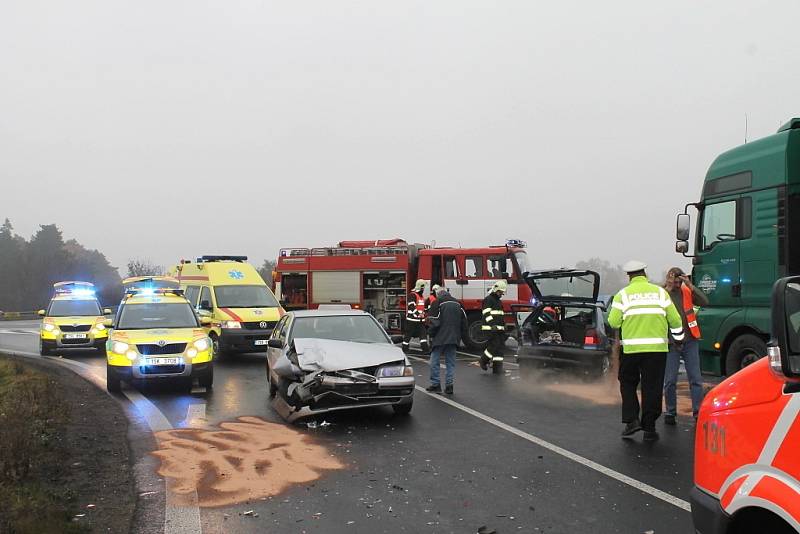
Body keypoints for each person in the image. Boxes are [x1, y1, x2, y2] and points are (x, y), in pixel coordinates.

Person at [608, 261, 684, 442]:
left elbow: (613, 322)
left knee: (627, 383)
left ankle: (632, 421)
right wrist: (679, 340)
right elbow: (675, 321)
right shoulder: (661, 293)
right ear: (645, 274)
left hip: (632, 350)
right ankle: (649, 427)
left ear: (630, 276)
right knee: (652, 387)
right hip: (657, 350)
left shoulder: (622, 295)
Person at [663, 267, 708, 425]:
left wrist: (690, 285)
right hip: (671, 342)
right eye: (674, 282)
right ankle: (670, 411)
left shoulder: (687, 291)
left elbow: (705, 301)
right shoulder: (662, 293)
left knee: (695, 379)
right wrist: (668, 289)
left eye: (679, 281)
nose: (677, 284)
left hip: (690, 340)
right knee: (669, 381)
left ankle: (698, 412)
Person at [426, 287, 467, 394]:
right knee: (450, 363)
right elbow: (464, 322)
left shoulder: (437, 302)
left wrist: (431, 334)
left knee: (434, 361)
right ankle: (449, 386)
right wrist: (460, 336)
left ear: (438, 294)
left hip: (440, 337)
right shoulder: (458, 303)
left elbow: (434, 321)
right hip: (454, 337)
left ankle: (436, 384)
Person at [480, 280, 507, 371]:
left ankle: (497, 368)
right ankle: (483, 360)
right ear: (496, 290)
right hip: (490, 328)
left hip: (498, 329)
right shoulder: (488, 299)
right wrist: (492, 325)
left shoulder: (498, 301)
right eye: (501, 292)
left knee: (500, 348)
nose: (502, 294)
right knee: (494, 345)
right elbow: (486, 314)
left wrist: (504, 325)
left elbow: (500, 315)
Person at [403, 279, 429, 353]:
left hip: (420, 321)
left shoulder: (421, 296)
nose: (424, 289)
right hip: (412, 321)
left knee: (423, 336)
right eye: (423, 288)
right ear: (421, 287)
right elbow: (411, 306)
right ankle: (404, 349)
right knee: (408, 336)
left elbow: (422, 307)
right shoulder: (412, 295)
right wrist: (418, 314)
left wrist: (426, 313)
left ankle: (425, 350)